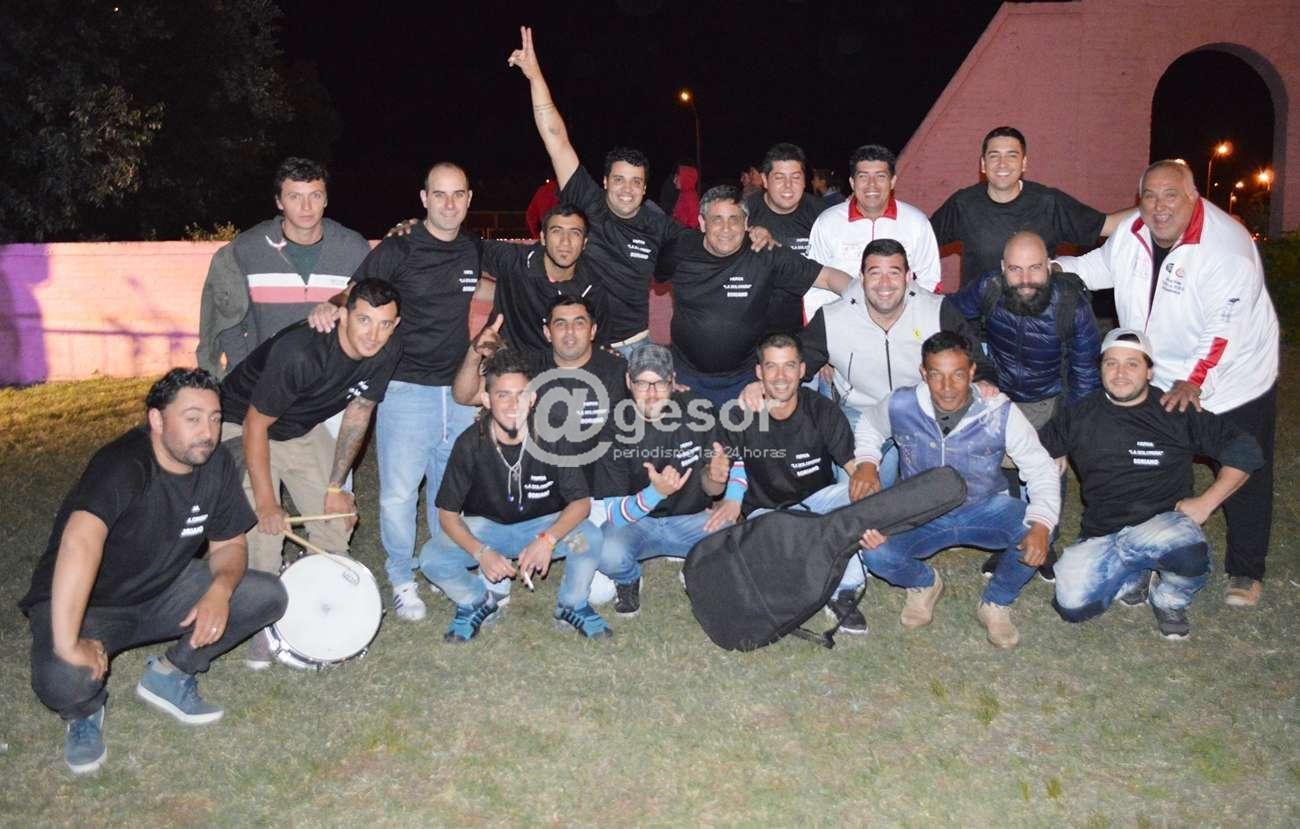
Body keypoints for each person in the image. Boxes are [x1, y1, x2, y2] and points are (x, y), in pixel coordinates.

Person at [20, 369, 288, 775]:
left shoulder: (214, 463)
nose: (208, 432)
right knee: (62, 679)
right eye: (192, 418)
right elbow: (79, 543)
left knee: (266, 595)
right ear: (157, 420)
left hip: (163, 589)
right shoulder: (124, 463)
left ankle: (171, 673)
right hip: (91, 602)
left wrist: (219, 590)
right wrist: (69, 643)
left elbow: (230, 545)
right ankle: (84, 713)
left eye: (215, 418)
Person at [1054, 159, 1279, 608]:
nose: (1159, 207)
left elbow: (1224, 331)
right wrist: (1049, 269)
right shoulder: (1134, 231)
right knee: (1145, 458)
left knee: (1243, 462)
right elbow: (1098, 267)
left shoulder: (1225, 250)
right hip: (1159, 370)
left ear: (1194, 197)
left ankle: (1246, 569)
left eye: (1170, 195)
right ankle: (1145, 544)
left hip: (1234, 374)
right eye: (1150, 196)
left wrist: (1193, 382)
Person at [307, 162, 484, 622]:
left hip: (458, 392)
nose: (449, 204)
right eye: (439, 194)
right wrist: (329, 306)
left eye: (458, 194)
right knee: (399, 494)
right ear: (424, 199)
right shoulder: (399, 246)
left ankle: (441, 566)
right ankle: (402, 577)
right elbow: (356, 292)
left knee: (449, 490)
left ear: (469, 199)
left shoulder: (472, 249)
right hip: (405, 388)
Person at [219, 278, 402, 666]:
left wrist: (336, 486)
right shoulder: (302, 352)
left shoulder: (387, 350)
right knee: (265, 530)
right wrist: (267, 504)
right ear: (343, 315)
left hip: (299, 426)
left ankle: (324, 598)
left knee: (336, 518)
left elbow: (359, 414)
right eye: (364, 320)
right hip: (244, 422)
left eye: (385, 324)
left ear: (395, 325)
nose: (374, 335)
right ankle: (262, 621)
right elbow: (255, 424)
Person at [1041, 329, 1262, 639]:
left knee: (1187, 551)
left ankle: (1169, 598)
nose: (1120, 373)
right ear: (1100, 368)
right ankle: (1136, 573)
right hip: (1103, 531)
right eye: (1111, 363)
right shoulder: (1079, 415)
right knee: (1073, 606)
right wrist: (1052, 453)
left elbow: (1246, 449)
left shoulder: (1174, 410)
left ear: (1149, 371)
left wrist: (1206, 503)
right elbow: (1034, 449)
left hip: (1164, 528)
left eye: (1132, 364)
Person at [850, 331, 1060, 649]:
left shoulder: (998, 410)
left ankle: (996, 601)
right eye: (936, 375)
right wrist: (867, 462)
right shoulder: (902, 403)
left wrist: (1042, 524)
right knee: (874, 549)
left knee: (1040, 530)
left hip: (985, 507)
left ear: (972, 372)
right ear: (923, 373)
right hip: (920, 512)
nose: (947, 387)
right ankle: (924, 584)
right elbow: (869, 424)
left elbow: (1040, 468)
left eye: (958, 375)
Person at [508, 27, 683, 353]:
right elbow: (556, 138)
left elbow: (710, 246)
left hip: (636, 346)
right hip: (580, 347)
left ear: (645, 187)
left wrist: (754, 233)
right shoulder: (587, 200)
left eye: (636, 182)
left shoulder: (660, 225)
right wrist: (534, 76)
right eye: (619, 179)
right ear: (605, 182)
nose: (627, 189)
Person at [420, 348, 610, 642]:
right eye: (503, 395)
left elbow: (581, 503)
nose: (513, 405)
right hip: (487, 530)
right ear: (487, 399)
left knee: (589, 538)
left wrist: (547, 540)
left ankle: (572, 605)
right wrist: (480, 552)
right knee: (432, 558)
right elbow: (447, 515)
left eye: (521, 395)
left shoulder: (553, 436)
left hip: (541, 526)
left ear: (532, 399)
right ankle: (476, 601)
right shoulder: (469, 443)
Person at [945, 230, 1101, 582]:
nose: (1026, 280)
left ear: (1049, 266)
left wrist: (1066, 437)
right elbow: (949, 313)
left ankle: (1047, 539)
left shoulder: (1072, 306)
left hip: (1050, 399)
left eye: (1034, 268)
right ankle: (1010, 539)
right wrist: (976, 365)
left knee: (1047, 468)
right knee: (1005, 472)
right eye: (1015, 270)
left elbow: (1085, 376)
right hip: (1001, 396)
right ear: (1003, 268)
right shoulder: (989, 288)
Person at [784, 240, 993, 490]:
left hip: (923, 411)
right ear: (862, 278)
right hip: (861, 412)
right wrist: (763, 387)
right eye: (875, 273)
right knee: (857, 493)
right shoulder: (832, 318)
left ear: (908, 276)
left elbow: (977, 361)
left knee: (941, 491)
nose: (884, 284)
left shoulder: (937, 310)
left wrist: (984, 383)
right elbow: (793, 365)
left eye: (894, 273)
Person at [656, 184, 851, 407]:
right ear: (702, 222)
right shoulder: (680, 249)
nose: (726, 228)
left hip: (747, 383)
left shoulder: (763, 252)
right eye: (717, 219)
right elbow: (644, 269)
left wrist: (866, 299)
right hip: (684, 379)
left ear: (747, 223)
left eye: (735, 219)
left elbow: (827, 277)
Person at [733, 334, 868, 634]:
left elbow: (853, 468)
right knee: (773, 547)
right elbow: (721, 477)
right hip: (768, 513)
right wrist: (718, 482)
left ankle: (842, 592)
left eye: (789, 366)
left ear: (802, 370)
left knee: (857, 497)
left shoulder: (822, 410)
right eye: (771, 367)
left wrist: (868, 505)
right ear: (759, 372)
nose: (781, 376)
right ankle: (809, 572)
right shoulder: (740, 413)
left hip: (819, 505)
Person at [593, 344, 741, 616]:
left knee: (734, 540)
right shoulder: (613, 428)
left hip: (691, 519)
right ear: (628, 381)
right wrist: (655, 493)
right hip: (638, 524)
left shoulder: (698, 410)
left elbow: (733, 460)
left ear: (673, 381)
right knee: (605, 552)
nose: (651, 393)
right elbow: (614, 514)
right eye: (642, 383)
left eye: (660, 383)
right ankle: (628, 579)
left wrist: (726, 489)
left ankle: (694, 569)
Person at [197, 157, 371, 376]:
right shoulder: (248, 248)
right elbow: (227, 319)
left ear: (326, 199)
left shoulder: (354, 249)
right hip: (266, 379)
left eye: (315, 195)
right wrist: (245, 368)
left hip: (332, 381)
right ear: (279, 202)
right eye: (294, 196)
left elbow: (372, 308)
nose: (306, 207)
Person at [930, 127, 1124, 289]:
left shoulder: (1049, 202)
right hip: (978, 319)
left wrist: (1144, 207)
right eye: (994, 156)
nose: (1002, 164)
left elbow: (1108, 225)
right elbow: (921, 239)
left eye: (1011, 156)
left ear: (1024, 163)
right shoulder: (963, 204)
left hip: (1036, 317)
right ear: (983, 164)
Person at [806, 144, 940, 319]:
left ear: (892, 181)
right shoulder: (827, 222)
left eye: (880, 176)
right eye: (863, 177)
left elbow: (930, 280)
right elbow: (813, 281)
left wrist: (913, 320)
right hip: (842, 324)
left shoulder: (916, 222)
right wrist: (819, 328)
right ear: (852, 182)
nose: (872, 185)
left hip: (901, 323)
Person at [479, 204, 606, 354]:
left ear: (584, 243)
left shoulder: (592, 285)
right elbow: (464, 247)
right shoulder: (515, 260)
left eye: (575, 233)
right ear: (543, 238)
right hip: (509, 364)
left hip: (560, 366)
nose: (565, 241)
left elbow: (598, 341)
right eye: (557, 231)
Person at [745, 142, 829, 336]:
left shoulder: (824, 215)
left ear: (805, 180)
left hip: (809, 324)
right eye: (779, 177)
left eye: (796, 177)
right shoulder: (745, 214)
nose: (788, 186)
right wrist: (746, 235)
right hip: (756, 326)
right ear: (764, 180)